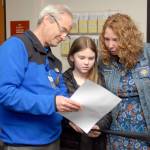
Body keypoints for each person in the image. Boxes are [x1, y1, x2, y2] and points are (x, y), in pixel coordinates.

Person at [0, 4, 81, 150]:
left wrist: (72, 119)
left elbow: (61, 95)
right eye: (63, 30)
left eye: (66, 34)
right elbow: (5, 94)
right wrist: (52, 103)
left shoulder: (53, 60)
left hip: (54, 139)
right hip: (23, 143)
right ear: (48, 20)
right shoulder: (15, 46)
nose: (64, 37)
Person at [99, 13, 150, 149]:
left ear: (128, 38)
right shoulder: (104, 62)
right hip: (116, 130)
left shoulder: (147, 53)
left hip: (144, 130)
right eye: (107, 39)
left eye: (115, 39)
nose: (110, 45)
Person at [60, 36, 112, 150]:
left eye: (91, 58)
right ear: (72, 57)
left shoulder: (99, 78)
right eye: (82, 57)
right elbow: (58, 113)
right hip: (70, 143)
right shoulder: (62, 79)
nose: (87, 63)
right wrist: (70, 122)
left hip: (97, 143)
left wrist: (99, 127)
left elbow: (107, 112)